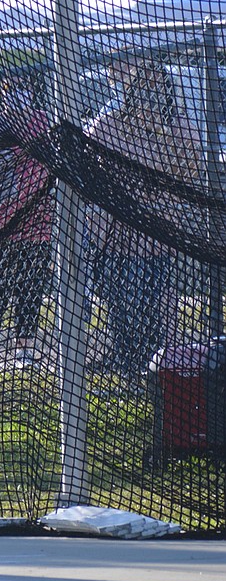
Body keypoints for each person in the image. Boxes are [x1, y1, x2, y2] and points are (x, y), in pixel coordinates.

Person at [85, 60, 203, 376]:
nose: (151, 95)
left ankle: (157, 374)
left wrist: (166, 139)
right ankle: (129, 372)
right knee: (126, 313)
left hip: (160, 243)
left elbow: (191, 174)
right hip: (120, 243)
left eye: (158, 88)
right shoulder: (111, 126)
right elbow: (86, 160)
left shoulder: (181, 128)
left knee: (161, 315)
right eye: (145, 88)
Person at [0, 78, 53, 369]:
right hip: (1, 221)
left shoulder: (44, 120)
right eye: (12, 90)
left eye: (25, 88)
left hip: (38, 219)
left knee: (30, 287)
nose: (20, 95)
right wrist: (18, 151)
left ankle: (25, 349)